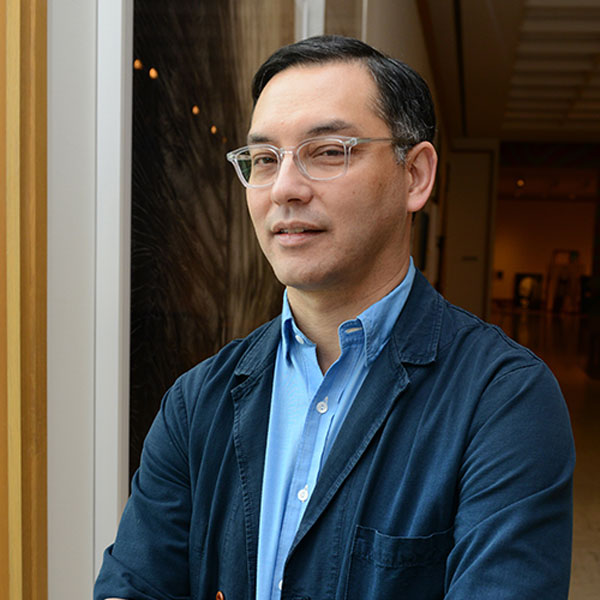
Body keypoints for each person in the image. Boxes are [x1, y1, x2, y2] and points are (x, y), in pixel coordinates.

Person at [95, 35, 575, 600]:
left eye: (327, 152)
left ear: (415, 176)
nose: (285, 189)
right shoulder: (198, 401)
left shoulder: (503, 401)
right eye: (265, 159)